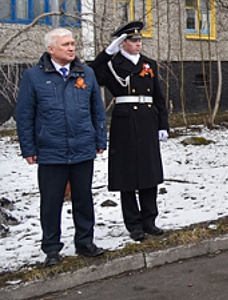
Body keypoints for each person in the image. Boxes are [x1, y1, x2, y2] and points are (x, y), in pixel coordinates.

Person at [16, 28, 107, 266]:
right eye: (65, 44)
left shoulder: (86, 73)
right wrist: (28, 148)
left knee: (83, 198)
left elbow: (97, 109)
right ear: (51, 49)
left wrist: (100, 139)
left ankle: (85, 242)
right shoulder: (33, 76)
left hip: (82, 147)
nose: (71, 48)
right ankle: (52, 248)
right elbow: (25, 115)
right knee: (51, 202)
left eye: (73, 43)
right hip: (50, 150)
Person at [90, 21, 169, 242]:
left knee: (148, 172)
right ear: (122, 43)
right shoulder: (112, 65)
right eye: (133, 41)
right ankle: (133, 224)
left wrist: (163, 124)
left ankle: (149, 220)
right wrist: (107, 53)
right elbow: (90, 74)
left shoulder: (149, 64)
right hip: (125, 121)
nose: (138, 44)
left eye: (139, 40)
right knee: (127, 175)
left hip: (147, 120)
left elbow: (158, 97)